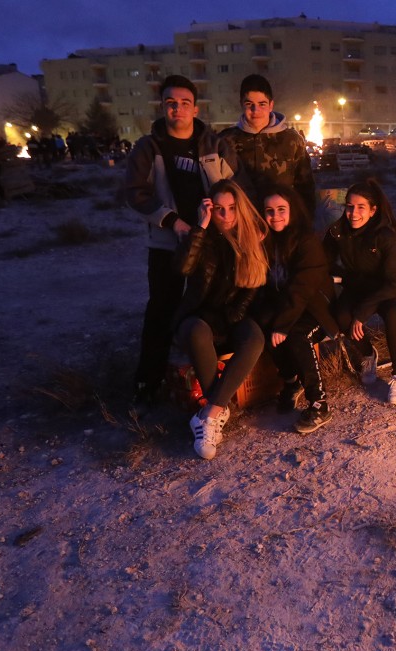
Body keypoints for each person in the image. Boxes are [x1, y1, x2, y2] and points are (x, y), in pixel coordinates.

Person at [123, 75, 242, 407]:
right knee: (161, 310)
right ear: (163, 107)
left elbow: (236, 187)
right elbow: (135, 193)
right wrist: (171, 220)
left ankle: (210, 380)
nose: (177, 109)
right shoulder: (149, 147)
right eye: (170, 103)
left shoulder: (215, 145)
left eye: (184, 103)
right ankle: (148, 383)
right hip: (166, 244)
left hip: (213, 243)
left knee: (210, 306)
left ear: (195, 108)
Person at [174, 180, 269, 459]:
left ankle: (209, 413)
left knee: (254, 338)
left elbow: (251, 289)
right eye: (218, 209)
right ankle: (217, 410)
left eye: (231, 209)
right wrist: (201, 227)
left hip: (233, 315)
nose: (226, 216)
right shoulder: (201, 237)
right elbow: (183, 268)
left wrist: (232, 318)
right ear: (209, 210)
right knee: (195, 332)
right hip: (199, 316)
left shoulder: (251, 240)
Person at [254, 184, 338, 434]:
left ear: (293, 210)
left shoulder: (306, 241)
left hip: (316, 309)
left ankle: (319, 403)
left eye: (281, 209)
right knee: (262, 325)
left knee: (295, 336)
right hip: (287, 307)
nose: (275, 216)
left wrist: (283, 324)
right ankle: (291, 382)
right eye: (269, 211)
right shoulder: (267, 241)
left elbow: (302, 289)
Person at [322, 179, 396, 406]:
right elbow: (324, 261)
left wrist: (362, 313)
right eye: (350, 206)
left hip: (386, 290)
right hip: (358, 287)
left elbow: (395, 282)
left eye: (361, 207)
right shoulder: (337, 232)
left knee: (392, 314)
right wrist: (343, 273)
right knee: (341, 316)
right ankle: (368, 355)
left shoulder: (385, 236)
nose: (353, 213)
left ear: (373, 211)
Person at [221, 74, 316, 216]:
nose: (255, 110)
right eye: (249, 104)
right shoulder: (226, 140)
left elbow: (305, 187)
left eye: (262, 104)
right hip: (243, 223)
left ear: (271, 105)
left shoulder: (292, 140)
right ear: (241, 104)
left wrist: (304, 222)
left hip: (281, 223)